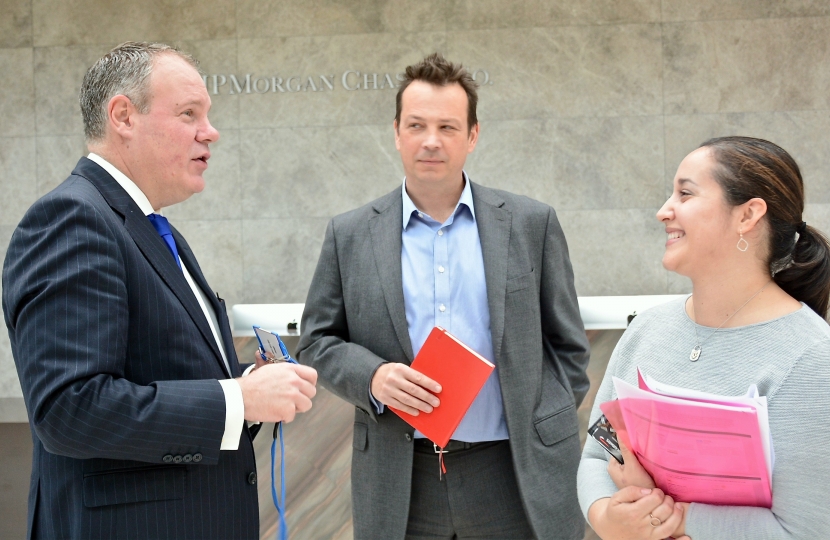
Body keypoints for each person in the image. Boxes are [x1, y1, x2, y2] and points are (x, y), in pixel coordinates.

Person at [2, 42, 318, 539]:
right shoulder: (72, 220)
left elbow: (161, 371)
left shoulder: (149, 228)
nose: (210, 132)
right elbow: (68, 407)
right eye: (189, 113)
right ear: (123, 116)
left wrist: (248, 383)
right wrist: (237, 400)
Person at [297, 53, 590, 540]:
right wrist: (372, 376)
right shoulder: (349, 234)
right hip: (401, 477)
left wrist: (542, 416)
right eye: (417, 125)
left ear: (472, 136)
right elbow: (316, 341)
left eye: (448, 127)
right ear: (396, 132)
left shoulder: (530, 224)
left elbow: (569, 346)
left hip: (513, 470)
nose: (431, 141)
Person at [577, 136, 830, 539]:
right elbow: (596, 456)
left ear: (748, 215)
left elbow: (805, 530)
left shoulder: (813, 359)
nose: (664, 211)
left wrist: (666, 515)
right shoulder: (646, 330)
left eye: (685, 193)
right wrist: (609, 518)